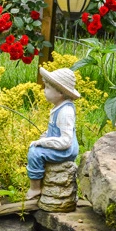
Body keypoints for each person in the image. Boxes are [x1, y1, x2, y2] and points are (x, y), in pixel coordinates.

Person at [26, 67, 80, 200]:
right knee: (37, 148)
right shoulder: (58, 107)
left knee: (34, 153)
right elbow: (55, 131)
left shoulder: (65, 112)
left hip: (66, 150)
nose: (44, 90)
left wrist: (43, 142)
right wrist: (46, 136)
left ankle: (35, 188)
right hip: (61, 145)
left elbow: (65, 142)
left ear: (61, 93)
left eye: (48, 88)